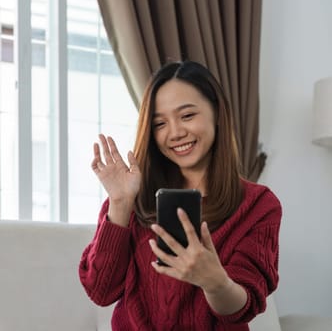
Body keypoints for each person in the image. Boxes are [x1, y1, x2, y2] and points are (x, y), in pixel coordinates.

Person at [78, 60, 281, 330]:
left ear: (217, 113)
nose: (175, 133)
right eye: (160, 123)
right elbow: (100, 291)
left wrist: (215, 282)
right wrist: (120, 203)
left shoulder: (258, 204)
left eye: (187, 116)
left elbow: (242, 308)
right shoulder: (132, 195)